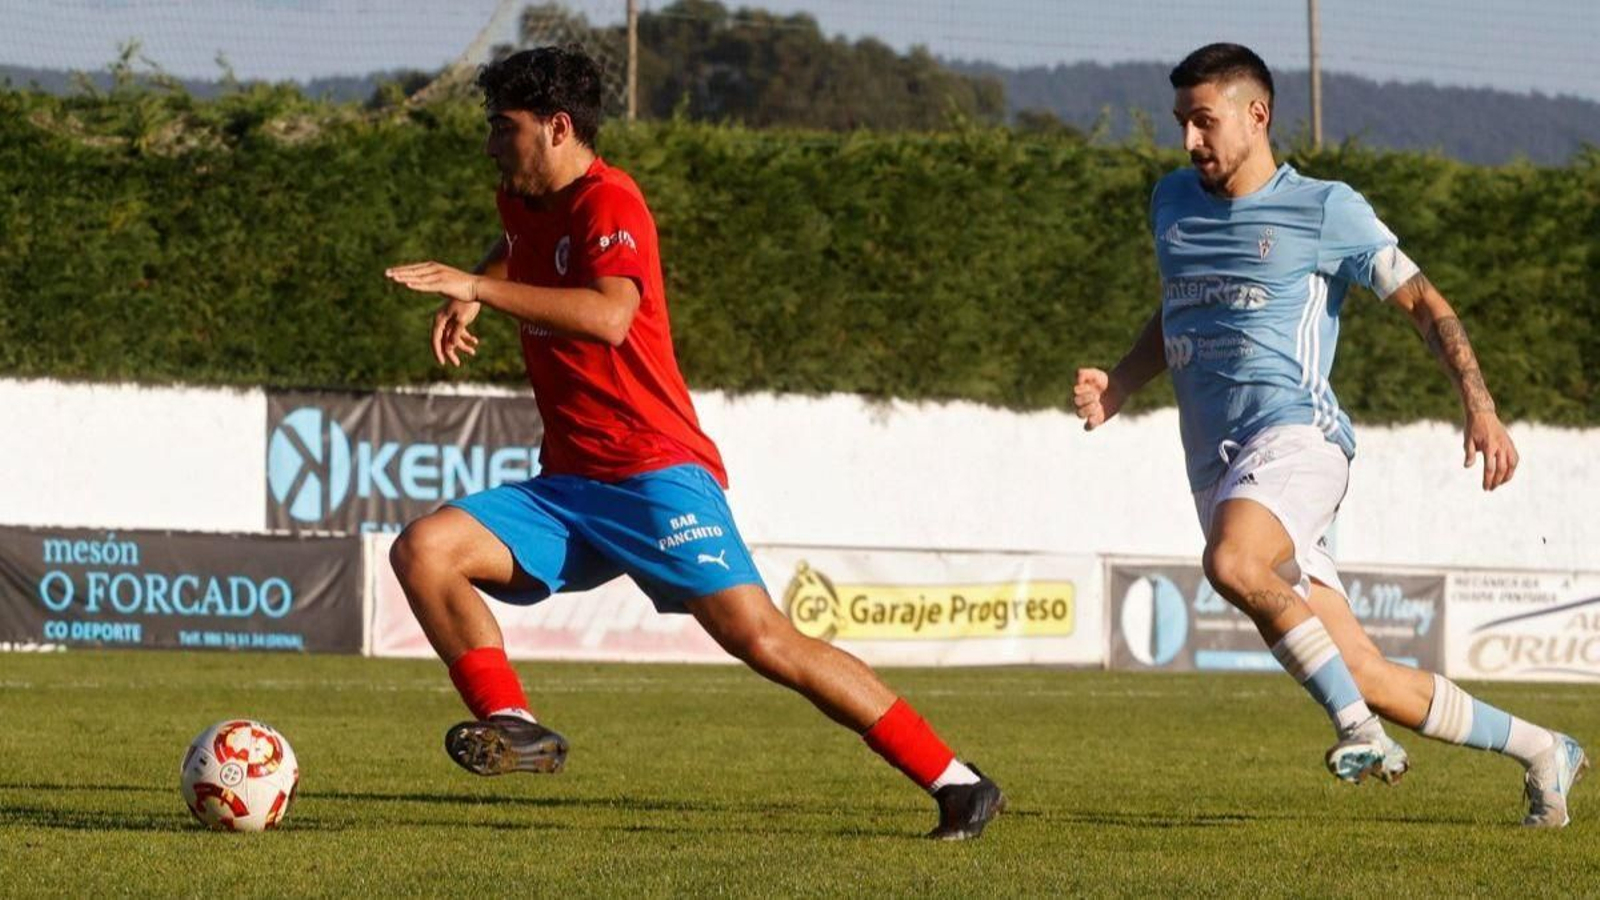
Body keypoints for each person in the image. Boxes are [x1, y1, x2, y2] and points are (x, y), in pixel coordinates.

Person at [382, 45, 1002, 840]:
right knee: (424, 550)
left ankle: (957, 781)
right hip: (570, 486)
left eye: (504, 128)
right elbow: (517, 243)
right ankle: (513, 723)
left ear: (558, 127)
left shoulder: (613, 203)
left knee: (765, 640)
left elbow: (610, 316)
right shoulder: (523, 196)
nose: (492, 144)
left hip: (653, 474)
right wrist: (478, 287)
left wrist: (476, 290)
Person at [1073, 42, 1585, 827]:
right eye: (1181, 123)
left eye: (1203, 122)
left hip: (1300, 442)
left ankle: (1359, 732)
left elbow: (1425, 305)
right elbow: (1178, 308)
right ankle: (1546, 750)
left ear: (1257, 115)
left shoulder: (1323, 208)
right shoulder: (1171, 201)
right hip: (1221, 467)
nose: (1188, 142)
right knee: (1365, 668)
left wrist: (1478, 404)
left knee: (1233, 561)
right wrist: (1119, 384)